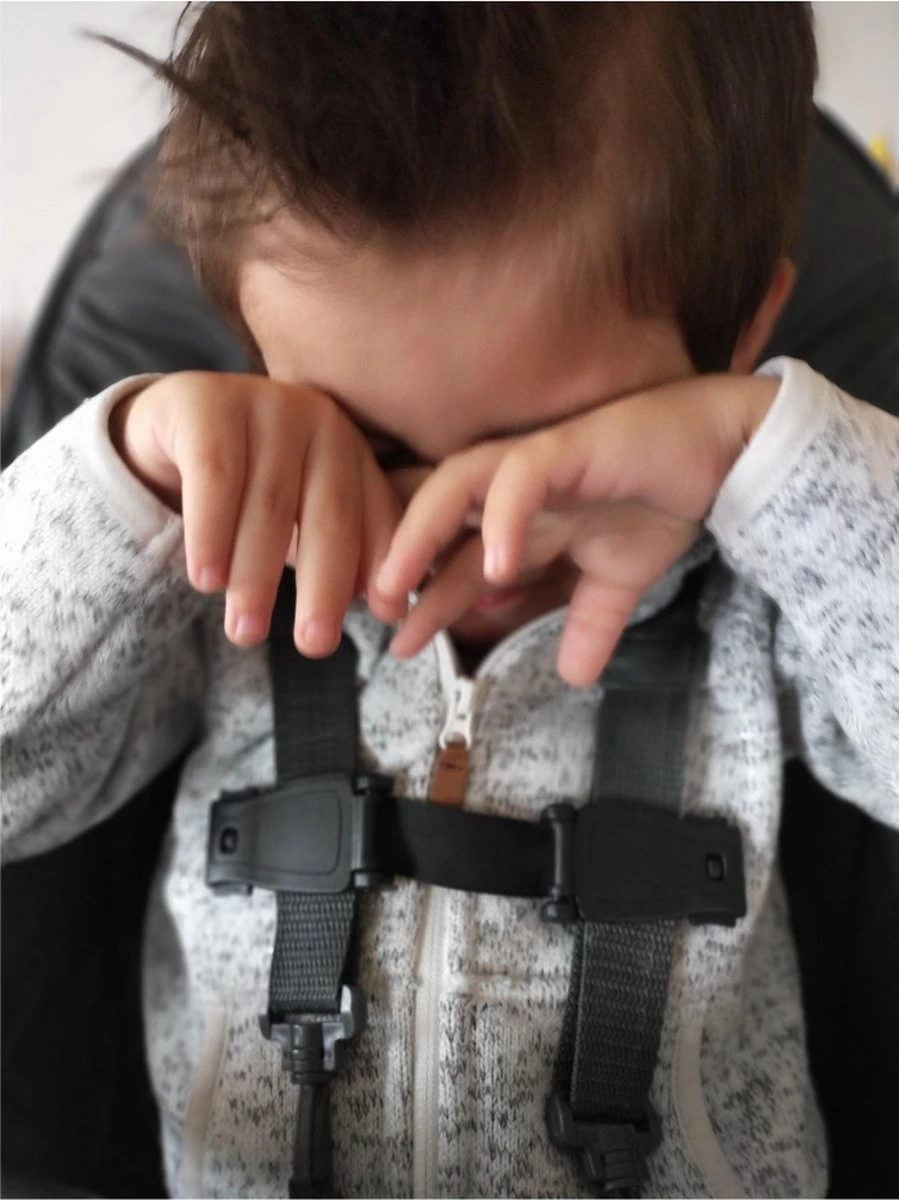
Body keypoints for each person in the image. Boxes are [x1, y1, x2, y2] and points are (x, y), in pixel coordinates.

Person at [2, 4, 897, 1196]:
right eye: (370, 446)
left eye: (548, 449)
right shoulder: (214, 583)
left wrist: (770, 460)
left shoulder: (778, 594)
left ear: (734, 340)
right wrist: (124, 485)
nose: (461, 528)